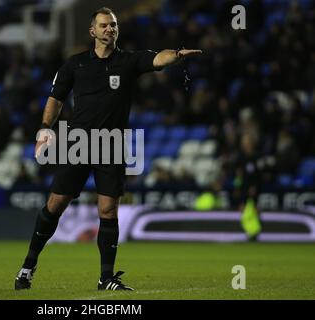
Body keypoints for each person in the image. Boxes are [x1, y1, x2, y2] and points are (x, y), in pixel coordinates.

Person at [15, 7, 202, 291]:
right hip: (77, 144)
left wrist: (175, 55)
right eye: (104, 25)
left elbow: (157, 59)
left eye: (113, 25)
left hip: (111, 145)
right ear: (92, 31)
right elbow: (56, 99)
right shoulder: (74, 65)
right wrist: (44, 127)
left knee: (108, 211)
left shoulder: (128, 61)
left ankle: (106, 278)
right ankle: (28, 266)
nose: (109, 30)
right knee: (56, 204)